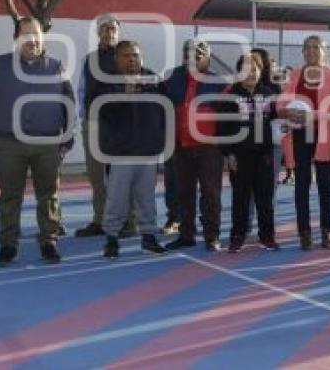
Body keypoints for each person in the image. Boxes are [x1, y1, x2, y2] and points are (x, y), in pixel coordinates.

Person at [0, 17, 75, 267]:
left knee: (49, 195)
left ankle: (49, 242)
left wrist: (68, 137)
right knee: (10, 196)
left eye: (37, 35)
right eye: (26, 35)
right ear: (15, 38)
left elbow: (69, 104)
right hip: (10, 143)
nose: (32, 40)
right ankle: (8, 245)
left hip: (48, 144)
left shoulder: (56, 67)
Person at [97, 41, 167, 258]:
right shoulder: (107, 82)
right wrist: (124, 93)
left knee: (147, 198)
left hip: (148, 151)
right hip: (120, 153)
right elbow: (102, 111)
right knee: (116, 199)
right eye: (127, 56)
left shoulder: (153, 80)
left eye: (135, 55)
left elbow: (164, 111)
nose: (132, 60)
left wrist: (159, 139)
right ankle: (111, 238)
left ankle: (149, 236)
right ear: (117, 59)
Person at [75, 13, 138, 239]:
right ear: (98, 32)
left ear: (118, 32)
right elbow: (81, 91)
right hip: (94, 125)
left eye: (113, 28)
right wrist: (84, 119)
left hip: (121, 126)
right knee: (97, 176)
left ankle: (129, 222)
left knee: (122, 174)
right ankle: (101, 220)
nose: (109, 32)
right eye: (105, 28)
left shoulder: (129, 56)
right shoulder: (88, 60)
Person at [279, 35, 330, 250]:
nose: (311, 51)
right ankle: (304, 232)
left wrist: (312, 115)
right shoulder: (296, 74)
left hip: (324, 136)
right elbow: (283, 100)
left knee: (325, 185)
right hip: (300, 135)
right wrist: (287, 110)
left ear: (324, 51)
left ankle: (326, 230)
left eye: (316, 47)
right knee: (301, 185)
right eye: (307, 47)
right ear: (302, 51)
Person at [162, 39, 227, 252]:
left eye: (201, 52)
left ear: (208, 56)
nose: (195, 55)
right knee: (183, 192)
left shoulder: (220, 81)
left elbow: (228, 116)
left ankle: (212, 236)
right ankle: (186, 235)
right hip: (181, 145)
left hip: (210, 147)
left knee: (211, 193)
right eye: (190, 52)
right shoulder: (171, 77)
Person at [219, 52, 280, 252]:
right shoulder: (230, 96)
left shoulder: (270, 93)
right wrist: (228, 154)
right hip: (240, 156)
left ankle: (267, 236)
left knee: (265, 198)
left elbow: (278, 122)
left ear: (261, 71)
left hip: (264, 155)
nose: (251, 73)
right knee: (240, 198)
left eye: (254, 69)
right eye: (246, 69)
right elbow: (223, 129)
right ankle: (238, 235)